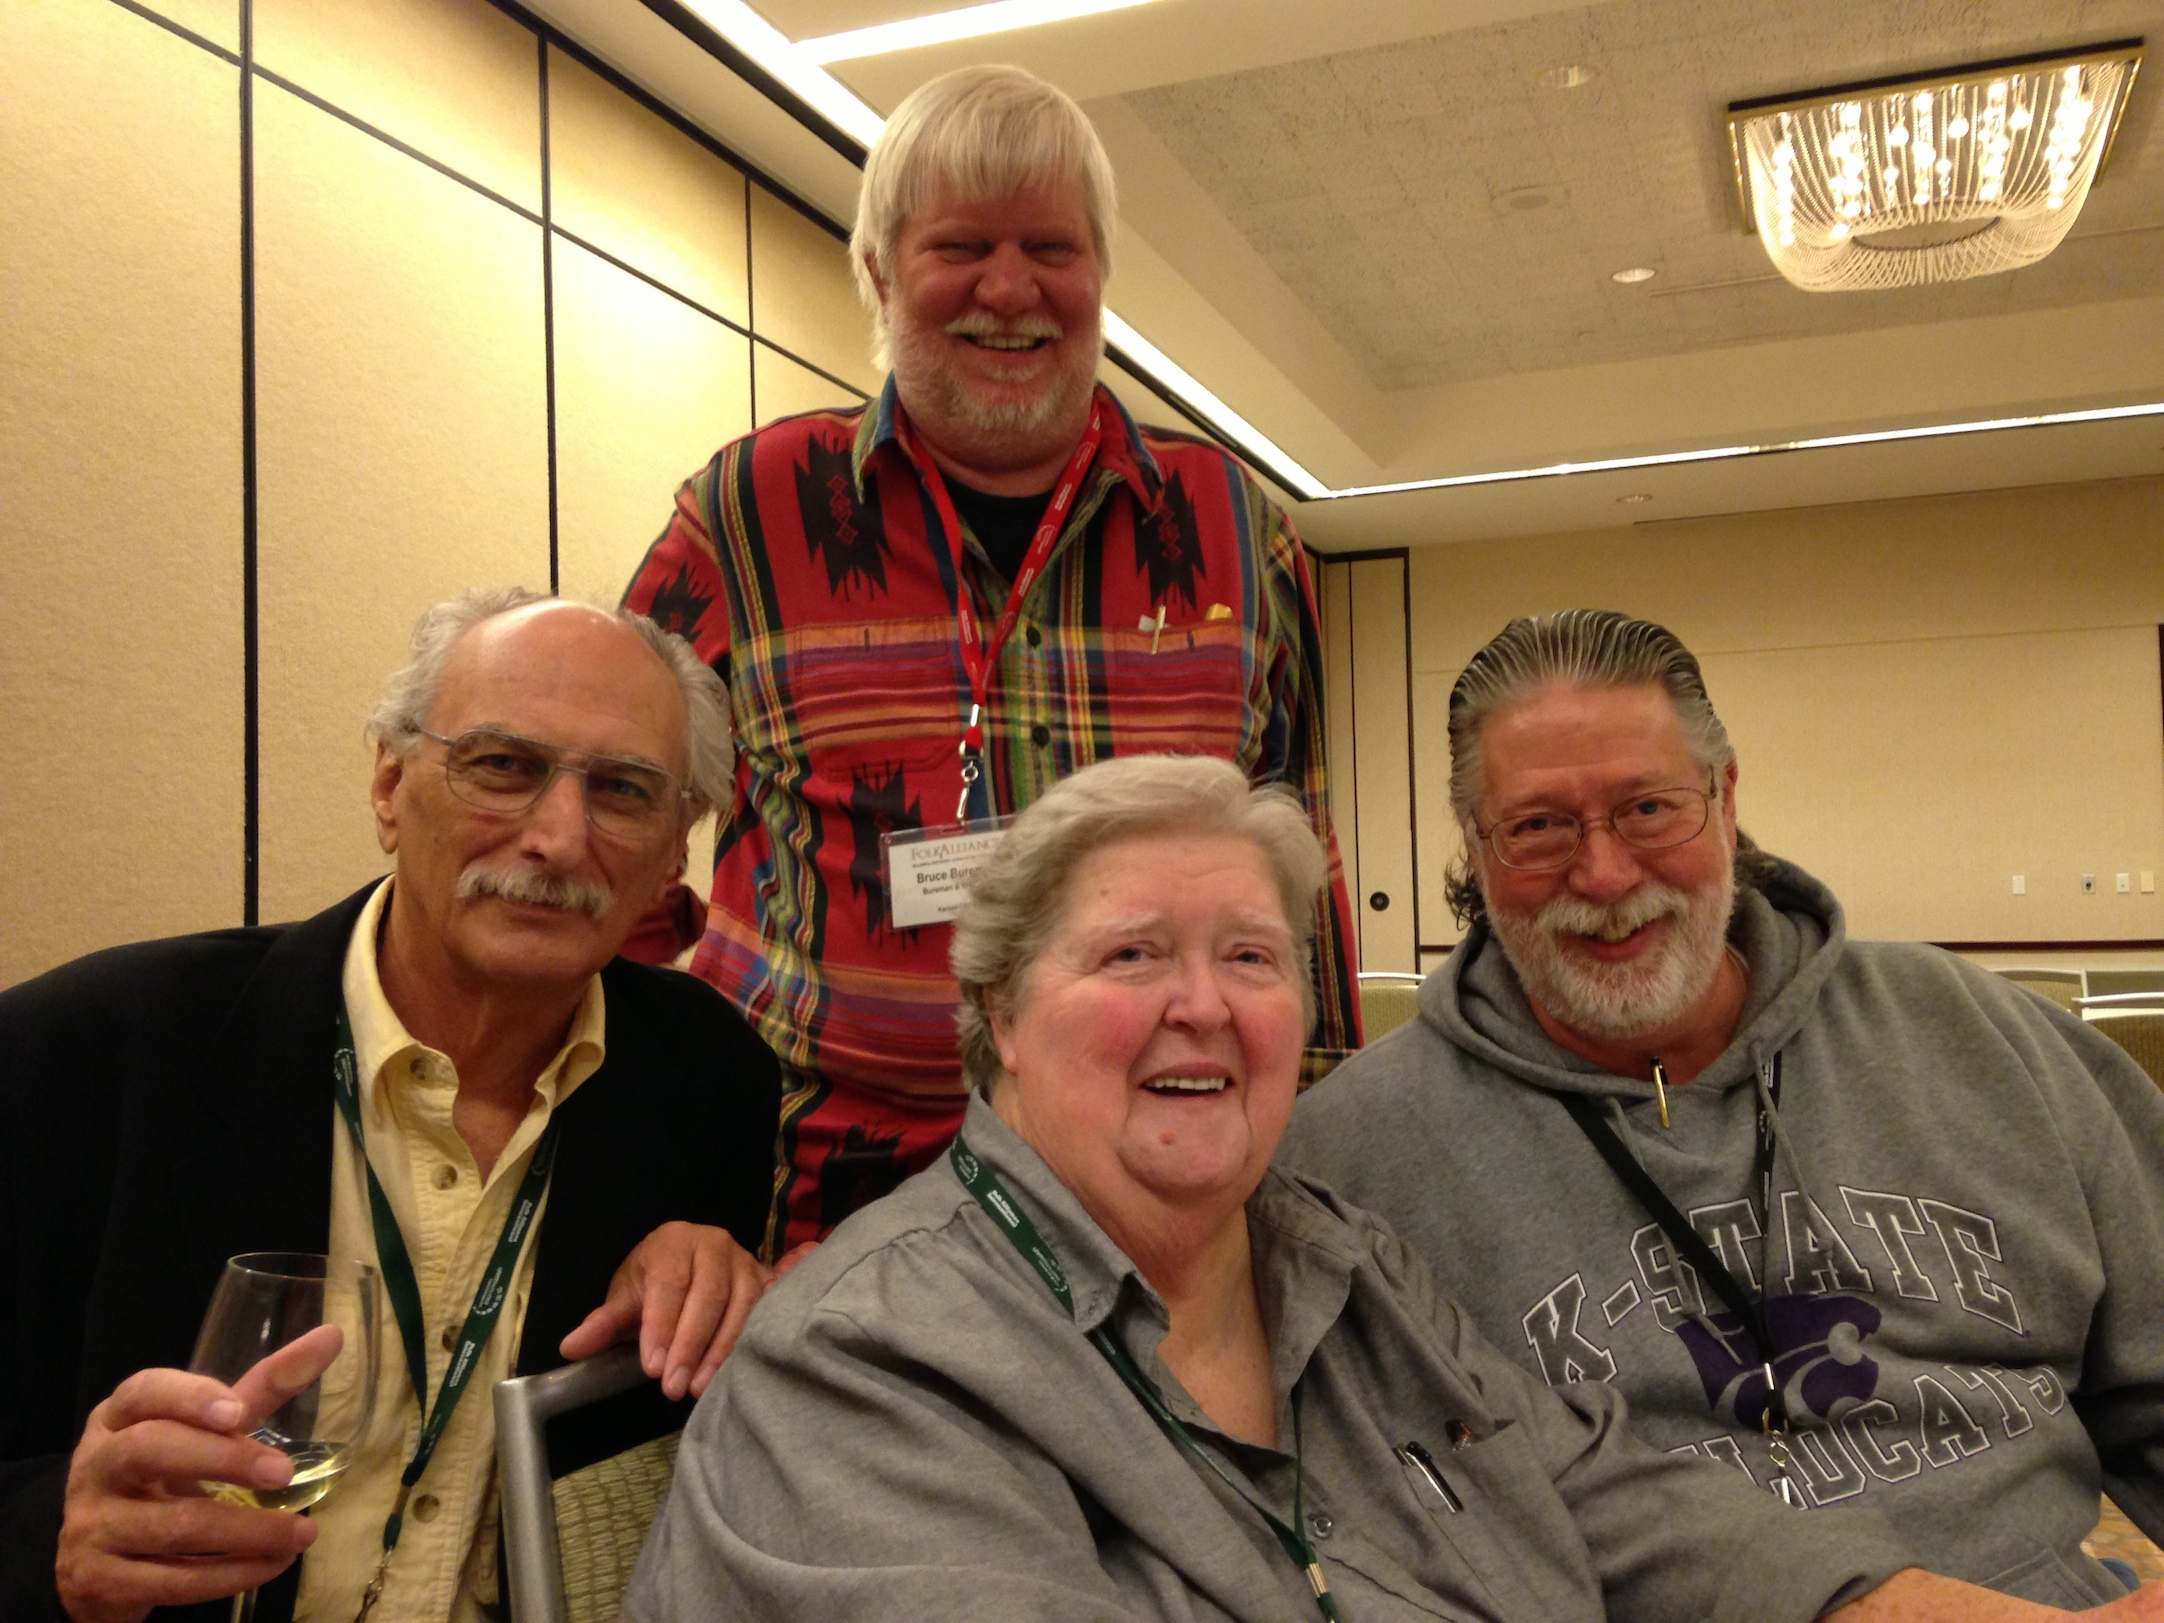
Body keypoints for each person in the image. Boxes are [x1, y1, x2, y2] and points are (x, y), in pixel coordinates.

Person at [622, 752, 2141, 1623]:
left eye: (1251, 956)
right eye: (1132, 954)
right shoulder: (867, 1363)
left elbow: (1606, 1496)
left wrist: (1911, 1609)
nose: (1202, 1005)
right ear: (999, 1013)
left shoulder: (1332, 1260)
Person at [1280, 609, 2164, 1607]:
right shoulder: (1348, 1161)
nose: (1604, 875)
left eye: (1648, 807)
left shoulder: (1985, 1038)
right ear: (1477, 849)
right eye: (1537, 827)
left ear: (1726, 797)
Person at [620, 64, 1359, 1255]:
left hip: (1142, 1202)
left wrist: (1314, 1171)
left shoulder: (1231, 525)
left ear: (1099, 273)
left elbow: (1299, 872)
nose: (1009, 289)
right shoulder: (752, 511)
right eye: (960, 246)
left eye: (1050, 249)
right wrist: (637, 1115)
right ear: (879, 272)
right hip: (811, 1210)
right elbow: (611, 813)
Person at [0, 591, 784, 1623]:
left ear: (674, 851)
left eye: (623, 790)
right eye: (502, 766)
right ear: (388, 786)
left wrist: (720, 1284)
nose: (558, 837)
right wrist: (50, 1541)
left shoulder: (708, 1080)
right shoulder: (85, 1057)